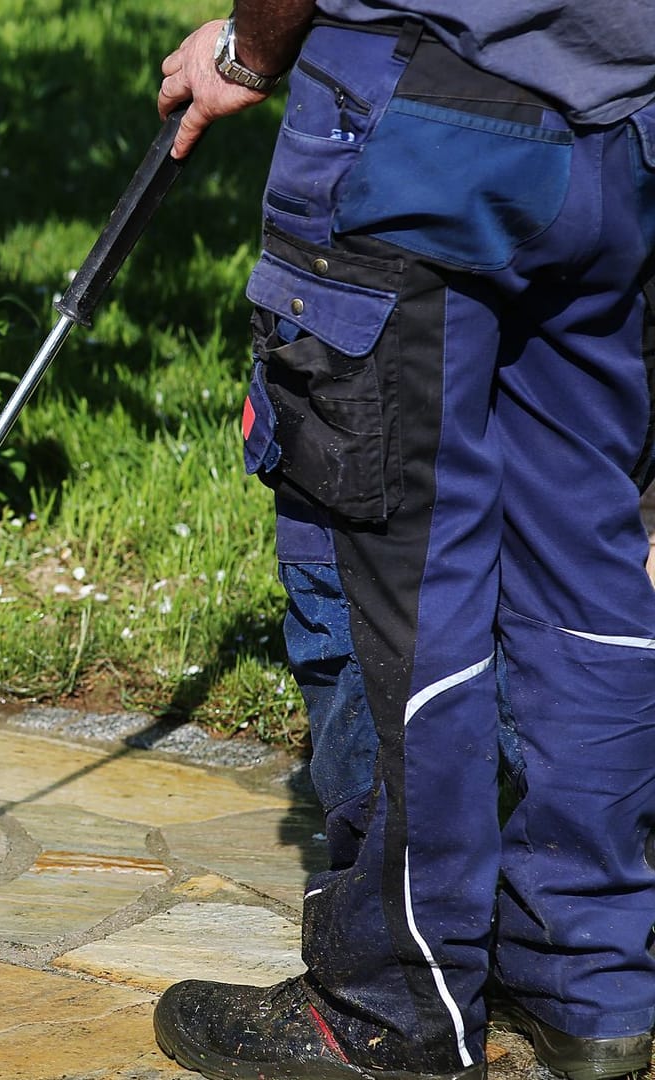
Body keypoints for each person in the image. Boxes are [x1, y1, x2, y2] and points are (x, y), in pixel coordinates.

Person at [149, 3, 655, 1079]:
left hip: (418, 119)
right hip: (621, 133)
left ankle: (392, 1004)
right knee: (585, 571)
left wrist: (251, 45)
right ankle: (591, 991)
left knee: (392, 579)